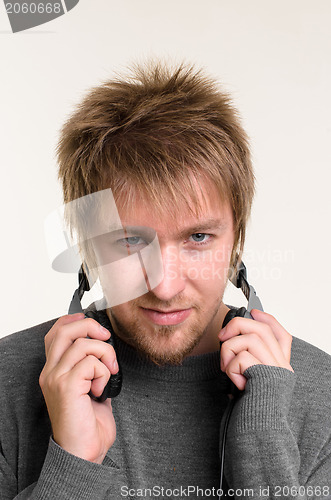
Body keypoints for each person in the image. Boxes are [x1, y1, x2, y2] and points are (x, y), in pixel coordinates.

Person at [0, 61, 330, 500]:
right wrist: (73, 465)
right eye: (130, 241)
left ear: (237, 241)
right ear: (87, 245)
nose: (165, 286)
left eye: (198, 237)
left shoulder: (320, 396)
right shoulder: (8, 383)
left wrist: (265, 447)